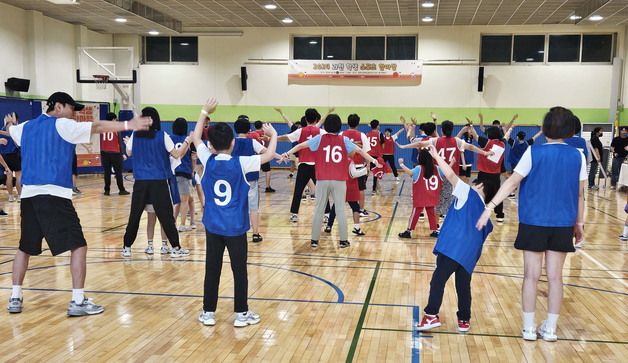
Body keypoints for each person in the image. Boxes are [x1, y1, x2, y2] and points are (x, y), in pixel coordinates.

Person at [4, 91, 151, 316]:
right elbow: (97, 127)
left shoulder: (26, 127)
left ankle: (15, 297)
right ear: (60, 106)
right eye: (73, 109)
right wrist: (127, 124)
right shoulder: (63, 124)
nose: (75, 114)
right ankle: (78, 300)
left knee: (25, 248)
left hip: (29, 198)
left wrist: (11, 123)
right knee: (79, 246)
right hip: (54, 195)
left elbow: (12, 130)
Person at [476, 106, 586, 342]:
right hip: (562, 224)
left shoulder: (534, 152)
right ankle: (551, 330)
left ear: (545, 128)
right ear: (569, 129)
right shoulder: (578, 155)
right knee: (556, 278)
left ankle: (528, 328)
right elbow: (580, 194)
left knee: (530, 276)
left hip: (533, 222)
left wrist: (489, 207)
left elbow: (511, 183)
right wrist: (580, 223)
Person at [192, 98, 277, 328]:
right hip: (236, 228)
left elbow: (196, 137)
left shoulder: (207, 160)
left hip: (213, 226)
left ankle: (208, 312)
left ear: (211, 144)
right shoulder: (242, 163)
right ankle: (241, 314)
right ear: (232, 143)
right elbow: (269, 156)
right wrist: (274, 135)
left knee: (212, 269)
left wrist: (204, 111)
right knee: (239, 270)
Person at [416, 144, 496, 333]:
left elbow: (451, 176)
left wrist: (436, 155)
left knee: (438, 280)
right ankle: (464, 320)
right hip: (469, 255)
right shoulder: (486, 214)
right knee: (463, 285)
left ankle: (431, 315)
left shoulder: (467, 193)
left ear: (480, 185)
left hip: (453, 248)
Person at [282, 114, 379, 248]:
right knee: (340, 210)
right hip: (339, 180)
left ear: (326, 126)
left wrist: (286, 154)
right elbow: (360, 151)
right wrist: (374, 161)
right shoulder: (344, 140)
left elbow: (300, 146)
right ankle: (343, 240)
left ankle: (314, 241)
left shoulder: (319, 138)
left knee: (319, 210)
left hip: (322, 179)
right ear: (339, 126)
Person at [121, 107, 191, 258]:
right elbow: (177, 153)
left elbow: (128, 153)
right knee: (166, 216)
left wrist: (129, 143)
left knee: (135, 215)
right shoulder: (162, 135)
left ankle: (126, 247)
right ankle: (175, 248)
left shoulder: (135, 135)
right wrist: (187, 141)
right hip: (159, 181)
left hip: (140, 182)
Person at [232, 116, 279, 243]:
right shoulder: (252, 142)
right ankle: (256, 234)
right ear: (249, 130)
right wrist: (280, 156)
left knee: (236, 206)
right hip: (251, 179)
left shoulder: (231, 142)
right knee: (253, 208)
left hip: (235, 180)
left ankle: (236, 231)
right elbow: (267, 152)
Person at [278, 108, 326, 223]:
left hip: (303, 165)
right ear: (316, 119)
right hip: (316, 166)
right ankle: (327, 214)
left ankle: (294, 214)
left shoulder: (300, 131)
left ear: (306, 118)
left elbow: (286, 137)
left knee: (298, 191)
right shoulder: (320, 132)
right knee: (321, 191)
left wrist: (272, 138)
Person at [397, 151, 442, 239]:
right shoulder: (436, 168)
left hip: (421, 196)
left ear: (421, 158)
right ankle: (435, 230)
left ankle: (409, 231)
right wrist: (452, 163)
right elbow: (445, 172)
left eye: (418, 155)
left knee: (415, 214)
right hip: (432, 196)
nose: (417, 157)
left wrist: (401, 164)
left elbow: (410, 173)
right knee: (431, 214)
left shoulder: (419, 168)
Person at [340, 114, 371, 217]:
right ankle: (361, 210)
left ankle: (338, 209)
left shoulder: (341, 134)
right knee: (361, 189)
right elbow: (366, 152)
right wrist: (368, 166)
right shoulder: (362, 135)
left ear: (347, 123)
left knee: (342, 188)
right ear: (358, 124)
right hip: (359, 167)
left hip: (344, 167)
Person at [170, 117, 195, 231]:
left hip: (172, 172)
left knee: (177, 201)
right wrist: (193, 171)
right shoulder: (187, 140)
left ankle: (173, 222)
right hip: (184, 172)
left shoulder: (170, 138)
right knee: (184, 200)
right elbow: (193, 157)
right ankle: (183, 224)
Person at [100, 112, 129, 196]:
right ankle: (121, 190)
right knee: (118, 172)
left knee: (107, 172)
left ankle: (107, 190)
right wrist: (123, 153)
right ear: (113, 119)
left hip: (104, 152)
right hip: (115, 152)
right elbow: (119, 141)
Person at [1, 112, 21, 202]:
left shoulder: (2, 129)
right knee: (18, 176)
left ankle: (10, 196)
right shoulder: (14, 129)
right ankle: (20, 195)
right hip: (13, 155)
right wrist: (12, 123)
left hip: (4, 156)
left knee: (9, 176)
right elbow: (11, 136)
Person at [252, 120, 275, 193]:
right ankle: (267, 187)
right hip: (265, 155)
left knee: (255, 170)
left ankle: (254, 185)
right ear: (262, 126)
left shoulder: (252, 134)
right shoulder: (265, 133)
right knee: (267, 171)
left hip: (256, 155)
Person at [366, 120, 384, 194]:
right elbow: (383, 145)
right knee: (375, 173)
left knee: (367, 171)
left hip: (368, 155)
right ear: (377, 126)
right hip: (376, 156)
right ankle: (374, 190)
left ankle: (362, 186)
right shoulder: (380, 134)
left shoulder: (367, 134)